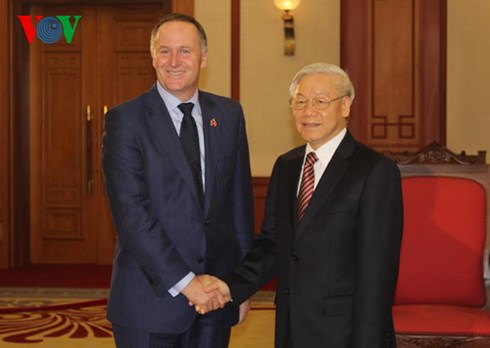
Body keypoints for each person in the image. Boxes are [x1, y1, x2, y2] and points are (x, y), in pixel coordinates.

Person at [200, 63, 404, 347]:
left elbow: (377, 272)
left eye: (321, 101)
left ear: (345, 106)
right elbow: (273, 244)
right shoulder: (287, 166)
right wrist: (230, 286)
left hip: (344, 332)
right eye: (300, 101)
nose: (309, 111)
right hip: (290, 327)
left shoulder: (374, 171)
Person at [102, 13, 254, 348]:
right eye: (164, 51)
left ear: (203, 57)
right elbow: (132, 217)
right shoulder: (125, 121)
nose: (174, 61)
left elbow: (239, 207)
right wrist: (187, 283)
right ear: (152, 57)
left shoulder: (229, 116)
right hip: (149, 303)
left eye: (185, 51)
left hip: (216, 299)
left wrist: (241, 285)